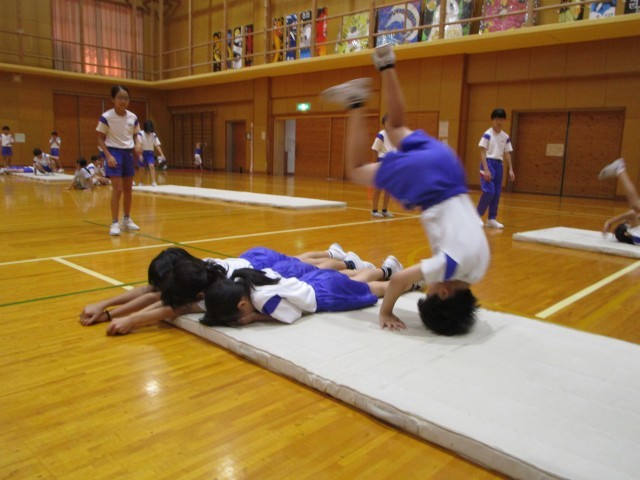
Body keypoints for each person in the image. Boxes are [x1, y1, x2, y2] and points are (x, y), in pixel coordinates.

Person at [321, 43, 490, 336]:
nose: (428, 286)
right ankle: (355, 101)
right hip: (430, 183)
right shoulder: (449, 268)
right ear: (445, 292)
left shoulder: (479, 268)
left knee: (396, 128)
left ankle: (386, 64)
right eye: (430, 291)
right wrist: (386, 311)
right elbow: (399, 280)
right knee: (357, 170)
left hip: (449, 167)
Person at [202, 266, 397, 327]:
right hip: (314, 280)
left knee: (373, 289)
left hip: (325, 294)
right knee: (357, 282)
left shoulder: (263, 301)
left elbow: (293, 314)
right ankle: (386, 269)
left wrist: (256, 317)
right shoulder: (246, 279)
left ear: (242, 305)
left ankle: (405, 282)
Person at [96, 85, 142, 236]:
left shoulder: (133, 117)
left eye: (126, 98)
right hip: (113, 152)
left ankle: (126, 219)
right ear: (113, 99)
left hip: (128, 153)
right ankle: (115, 222)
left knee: (128, 189)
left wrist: (138, 142)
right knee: (117, 189)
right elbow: (99, 138)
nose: (123, 101)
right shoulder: (106, 117)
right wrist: (108, 155)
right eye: (120, 98)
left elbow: (136, 134)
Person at [476, 108, 515, 229]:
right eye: (497, 119)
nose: (499, 122)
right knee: (489, 191)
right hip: (488, 163)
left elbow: (507, 153)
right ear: (493, 120)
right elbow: (482, 152)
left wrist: (510, 169)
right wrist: (486, 169)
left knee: (497, 193)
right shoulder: (487, 134)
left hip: (499, 165)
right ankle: (477, 216)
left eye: (501, 119)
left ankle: (491, 218)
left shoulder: (505, 136)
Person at [598, 158, 640, 245]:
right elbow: (631, 213)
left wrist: (611, 221)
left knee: (635, 206)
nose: (628, 223)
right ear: (626, 233)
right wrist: (610, 222)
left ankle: (620, 169)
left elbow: (632, 214)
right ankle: (620, 169)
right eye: (628, 224)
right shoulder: (635, 233)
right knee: (635, 205)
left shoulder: (636, 235)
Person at [371, 114, 395, 218]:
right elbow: (374, 149)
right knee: (378, 188)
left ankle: (385, 210)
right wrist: (375, 164)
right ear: (384, 124)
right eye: (387, 122)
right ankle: (374, 210)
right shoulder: (381, 134)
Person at [137, 120, 166, 187]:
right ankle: (141, 182)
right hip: (142, 152)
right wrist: (140, 154)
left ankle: (154, 182)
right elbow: (139, 145)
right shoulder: (140, 134)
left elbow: (157, 145)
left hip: (150, 153)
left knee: (152, 166)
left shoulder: (154, 135)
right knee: (141, 168)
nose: (149, 131)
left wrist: (162, 154)